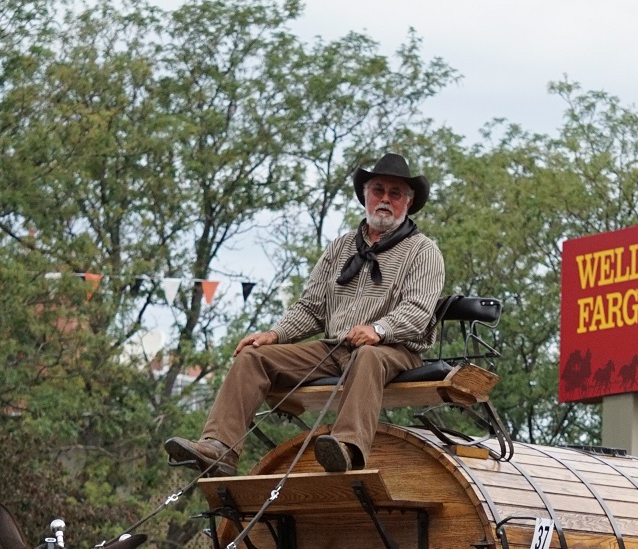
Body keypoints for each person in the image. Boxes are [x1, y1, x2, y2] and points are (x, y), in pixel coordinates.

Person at [163, 153, 446, 477]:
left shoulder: (423, 251)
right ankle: (218, 448)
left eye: (394, 193)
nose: (384, 199)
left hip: (394, 351)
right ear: (365, 197)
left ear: (407, 203)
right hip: (336, 348)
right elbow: (311, 307)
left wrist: (379, 329)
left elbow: (418, 311)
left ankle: (347, 448)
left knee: (367, 355)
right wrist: (274, 334)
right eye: (378, 190)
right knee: (253, 356)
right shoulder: (341, 247)